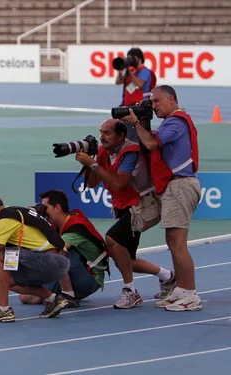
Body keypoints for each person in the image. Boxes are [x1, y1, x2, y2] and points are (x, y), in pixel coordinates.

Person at [76, 118, 176, 309]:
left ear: (120, 136)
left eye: (107, 133)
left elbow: (119, 183)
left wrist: (94, 164)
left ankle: (130, 291)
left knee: (113, 240)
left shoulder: (131, 152)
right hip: (124, 206)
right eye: (100, 132)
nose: (102, 137)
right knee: (126, 259)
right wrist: (90, 163)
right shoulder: (104, 153)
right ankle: (168, 276)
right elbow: (92, 183)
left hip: (143, 206)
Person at [124, 85, 201, 312]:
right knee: (172, 242)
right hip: (174, 186)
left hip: (180, 185)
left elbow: (149, 143)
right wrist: (141, 121)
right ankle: (180, 289)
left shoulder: (177, 121)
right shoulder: (170, 122)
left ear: (171, 99)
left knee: (178, 244)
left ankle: (191, 294)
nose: (154, 106)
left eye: (156, 101)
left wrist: (135, 122)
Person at [0, 193, 70, 323]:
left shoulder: (5, 220)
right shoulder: (10, 214)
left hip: (53, 261)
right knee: (6, 282)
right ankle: (52, 299)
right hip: (58, 261)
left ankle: (3, 309)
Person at [20, 190, 107, 308]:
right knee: (26, 296)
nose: (43, 212)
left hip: (90, 277)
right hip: (74, 274)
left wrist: (38, 223)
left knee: (57, 252)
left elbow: (54, 249)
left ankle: (69, 295)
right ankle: (61, 295)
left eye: (45, 208)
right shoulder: (57, 225)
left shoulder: (76, 227)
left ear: (57, 208)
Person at [115, 47, 157, 141]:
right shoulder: (132, 71)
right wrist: (122, 69)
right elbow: (118, 81)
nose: (130, 60)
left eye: (132, 57)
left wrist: (129, 72)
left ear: (139, 58)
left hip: (140, 107)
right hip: (129, 106)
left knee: (135, 134)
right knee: (126, 132)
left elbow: (139, 83)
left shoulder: (144, 71)